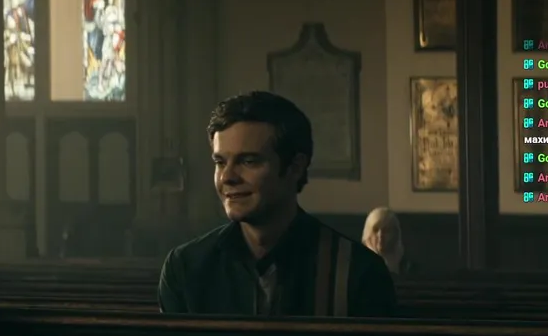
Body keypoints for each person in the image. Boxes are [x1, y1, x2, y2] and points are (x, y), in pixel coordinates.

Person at [158, 91, 396, 318]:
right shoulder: (186, 269)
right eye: (220, 162)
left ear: (295, 167)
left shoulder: (358, 271)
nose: (227, 177)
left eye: (248, 161)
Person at [362, 207, 412, 276]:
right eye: (375, 230)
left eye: (386, 230)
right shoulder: (357, 267)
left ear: (395, 234)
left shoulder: (408, 268)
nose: (380, 235)